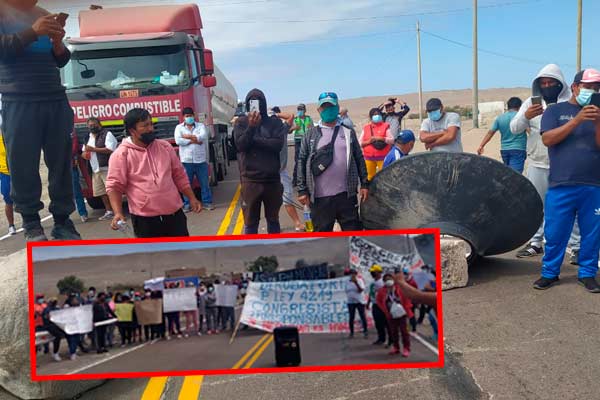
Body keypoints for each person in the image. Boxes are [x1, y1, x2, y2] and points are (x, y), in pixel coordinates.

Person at [0, 1, 81, 241]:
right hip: (18, 98)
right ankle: (31, 222)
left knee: (61, 163)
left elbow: (61, 60)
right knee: (22, 163)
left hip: (55, 97)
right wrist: (33, 32)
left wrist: (57, 44)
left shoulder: (44, 14)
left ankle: (63, 220)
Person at [533, 69, 600, 293]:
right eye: (588, 86)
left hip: (593, 185)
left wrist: (597, 122)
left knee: (592, 232)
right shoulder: (555, 111)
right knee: (555, 232)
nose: (592, 91)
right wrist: (578, 119)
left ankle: (588, 273)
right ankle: (550, 273)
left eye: (596, 88)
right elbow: (548, 139)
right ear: (574, 87)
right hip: (561, 184)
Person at [510, 65, 582, 263]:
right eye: (543, 83)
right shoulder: (529, 103)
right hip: (537, 163)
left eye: (552, 83)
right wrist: (526, 116)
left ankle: (576, 247)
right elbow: (514, 128)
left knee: (571, 206)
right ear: (538, 85)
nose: (547, 86)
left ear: (561, 84)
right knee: (537, 206)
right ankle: (535, 243)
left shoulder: (571, 102)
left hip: (567, 165)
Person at [106, 108, 202, 238]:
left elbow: (179, 175)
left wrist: (192, 198)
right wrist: (117, 212)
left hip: (174, 216)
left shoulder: (165, 147)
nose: (150, 128)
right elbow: (114, 186)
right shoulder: (121, 154)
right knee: (154, 258)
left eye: (151, 124)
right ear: (132, 130)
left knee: (181, 256)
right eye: (145, 126)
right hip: (144, 221)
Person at [297, 92, 369, 232]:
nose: (327, 110)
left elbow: (359, 157)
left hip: (346, 196)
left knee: (353, 234)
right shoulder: (310, 134)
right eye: (324, 107)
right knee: (322, 239)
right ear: (319, 110)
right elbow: (302, 160)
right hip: (319, 199)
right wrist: (302, 189)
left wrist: (364, 183)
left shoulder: (348, 132)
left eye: (331, 106)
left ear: (337, 108)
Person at [234, 89, 287, 234]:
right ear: (247, 104)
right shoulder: (241, 123)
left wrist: (255, 140)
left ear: (264, 103)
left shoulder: (274, 123)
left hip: (272, 181)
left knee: (273, 220)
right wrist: (251, 128)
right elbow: (240, 145)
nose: (256, 104)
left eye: (259, 101)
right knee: (250, 223)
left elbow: (277, 145)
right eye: (252, 101)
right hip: (250, 181)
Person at [174, 107, 214, 212]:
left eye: (190, 116)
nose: (189, 118)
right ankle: (187, 204)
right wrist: (194, 140)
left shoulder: (201, 126)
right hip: (187, 161)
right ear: (183, 117)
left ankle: (207, 202)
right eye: (187, 116)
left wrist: (187, 137)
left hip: (200, 160)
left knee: (204, 183)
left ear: (194, 116)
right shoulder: (179, 128)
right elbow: (178, 141)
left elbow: (203, 137)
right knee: (186, 184)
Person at [272, 107, 304, 231]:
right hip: (276, 172)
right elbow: (291, 116)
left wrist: (274, 115)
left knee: (283, 197)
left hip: (278, 171)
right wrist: (277, 115)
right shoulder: (281, 130)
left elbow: (291, 118)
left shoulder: (282, 130)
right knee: (284, 197)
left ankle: (294, 223)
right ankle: (296, 223)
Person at [477, 97, 528, 173]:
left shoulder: (500, 118)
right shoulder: (521, 117)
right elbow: (529, 130)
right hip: (518, 149)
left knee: (508, 173)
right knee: (516, 176)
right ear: (520, 107)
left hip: (504, 150)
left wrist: (481, 146)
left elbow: (490, 133)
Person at [81, 117, 117, 221]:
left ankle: (117, 211)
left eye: (94, 125)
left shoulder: (107, 134)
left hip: (107, 167)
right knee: (101, 192)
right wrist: (84, 155)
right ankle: (109, 211)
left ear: (99, 124)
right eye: (90, 126)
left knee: (112, 190)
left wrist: (94, 149)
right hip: (95, 169)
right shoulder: (87, 137)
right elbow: (84, 151)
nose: (92, 127)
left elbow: (110, 149)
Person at [376, 273, 413, 356]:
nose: (388, 281)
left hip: (402, 313)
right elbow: (378, 301)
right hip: (390, 314)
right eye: (386, 280)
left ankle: (406, 348)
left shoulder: (399, 288)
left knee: (404, 331)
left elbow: (407, 298)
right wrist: (385, 310)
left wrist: (407, 309)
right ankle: (396, 347)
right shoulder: (382, 290)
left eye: (390, 279)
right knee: (393, 332)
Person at [360, 108, 394, 181]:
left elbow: (391, 140)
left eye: (378, 114)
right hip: (368, 158)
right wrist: (369, 141)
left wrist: (381, 138)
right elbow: (360, 143)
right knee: (369, 177)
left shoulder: (385, 126)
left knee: (385, 176)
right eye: (375, 114)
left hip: (383, 158)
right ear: (371, 116)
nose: (377, 116)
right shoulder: (366, 128)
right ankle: (370, 191)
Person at [291, 103, 314, 186]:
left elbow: (313, 129)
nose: (300, 111)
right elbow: (289, 130)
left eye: (301, 109)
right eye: (299, 109)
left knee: (308, 160)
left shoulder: (309, 119)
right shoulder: (295, 119)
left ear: (305, 110)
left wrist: (310, 127)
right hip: (298, 141)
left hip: (307, 141)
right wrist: (294, 128)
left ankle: (307, 180)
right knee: (298, 161)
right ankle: (295, 181)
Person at [367, 264, 388, 346]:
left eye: (373, 272)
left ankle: (389, 339)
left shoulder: (382, 282)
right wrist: (368, 302)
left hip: (382, 305)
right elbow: (371, 293)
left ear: (378, 272)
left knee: (385, 323)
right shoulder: (373, 282)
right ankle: (381, 338)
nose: (372, 274)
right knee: (378, 323)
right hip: (375, 304)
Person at [345, 269, 368, 339]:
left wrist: (356, 283)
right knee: (351, 317)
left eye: (353, 274)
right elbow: (346, 290)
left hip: (359, 301)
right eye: (351, 274)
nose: (352, 275)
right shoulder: (347, 281)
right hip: (351, 302)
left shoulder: (360, 281)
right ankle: (351, 332)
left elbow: (361, 290)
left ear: (356, 274)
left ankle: (365, 331)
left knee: (362, 316)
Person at [70, 132, 88, 223]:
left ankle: (82, 213)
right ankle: (61, 217)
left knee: (76, 190)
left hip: (70, 165)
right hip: (57, 167)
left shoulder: (71, 131)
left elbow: (74, 147)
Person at [0, 131, 15, 235]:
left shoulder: (13, 134)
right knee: (8, 199)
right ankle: (11, 225)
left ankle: (30, 222)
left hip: (17, 171)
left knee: (24, 197)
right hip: (4, 173)